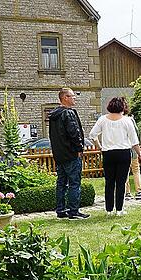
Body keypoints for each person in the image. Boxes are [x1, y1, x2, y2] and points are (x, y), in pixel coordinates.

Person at [89, 97, 141, 216]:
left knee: (109, 182)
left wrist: (100, 146)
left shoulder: (103, 119)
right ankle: (119, 209)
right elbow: (134, 141)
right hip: (123, 153)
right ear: (122, 107)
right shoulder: (127, 120)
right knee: (121, 182)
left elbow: (92, 134)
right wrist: (139, 154)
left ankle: (109, 210)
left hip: (108, 153)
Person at [49, 87, 90, 220]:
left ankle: (60, 210)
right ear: (65, 98)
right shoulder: (68, 113)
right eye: (72, 96)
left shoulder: (53, 115)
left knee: (61, 183)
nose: (75, 98)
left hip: (60, 155)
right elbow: (75, 133)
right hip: (71, 154)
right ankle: (73, 211)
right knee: (74, 183)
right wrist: (79, 149)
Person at [121, 98, 141, 200]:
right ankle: (139, 191)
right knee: (136, 170)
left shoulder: (117, 120)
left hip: (123, 149)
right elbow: (136, 134)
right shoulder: (130, 119)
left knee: (125, 171)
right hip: (132, 148)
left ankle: (127, 192)